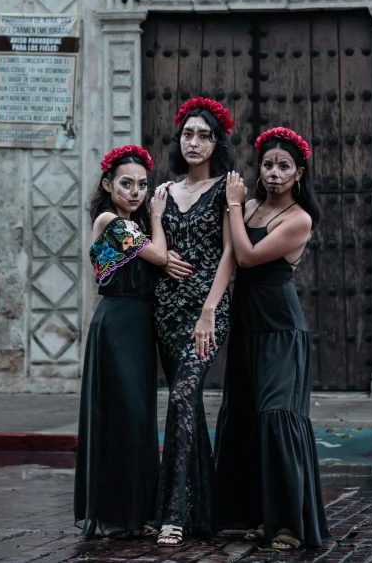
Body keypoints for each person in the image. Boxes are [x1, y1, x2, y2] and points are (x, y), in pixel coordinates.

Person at [215, 127, 329, 550]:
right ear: (259, 170)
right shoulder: (248, 207)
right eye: (268, 165)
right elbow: (226, 256)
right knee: (246, 420)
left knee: (278, 417)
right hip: (247, 328)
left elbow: (245, 256)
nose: (275, 173)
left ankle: (289, 525)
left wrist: (231, 206)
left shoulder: (299, 219)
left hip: (281, 330)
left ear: (299, 173)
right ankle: (259, 516)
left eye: (284, 167)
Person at [74, 145, 168, 539]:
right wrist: (160, 216)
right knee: (121, 415)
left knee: (138, 417)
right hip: (116, 326)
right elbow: (162, 255)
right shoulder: (110, 220)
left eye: (142, 185)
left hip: (137, 328)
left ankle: (134, 513)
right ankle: (115, 513)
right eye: (126, 183)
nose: (135, 191)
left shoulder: (135, 226)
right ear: (108, 184)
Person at [154, 98, 236, 546]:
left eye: (204, 135)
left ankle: (174, 515)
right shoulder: (165, 192)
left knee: (182, 396)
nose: (195, 142)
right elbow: (159, 247)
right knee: (186, 405)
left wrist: (209, 310)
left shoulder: (228, 188)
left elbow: (231, 253)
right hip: (166, 310)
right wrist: (161, 249)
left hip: (208, 310)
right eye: (188, 134)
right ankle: (202, 510)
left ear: (217, 142)